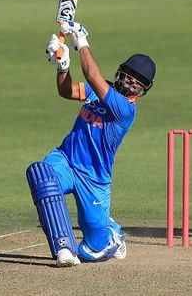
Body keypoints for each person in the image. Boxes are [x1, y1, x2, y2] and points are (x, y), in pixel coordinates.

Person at [26, 21, 156, 266]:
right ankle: (63, 247)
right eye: (130, 74)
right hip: (65, 158)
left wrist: (81, 41)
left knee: (92, 250)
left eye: (139, 81)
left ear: (143, 89)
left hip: (94, 180)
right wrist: (62, 67)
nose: (132, 81)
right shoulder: (100, 89)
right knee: (41, 175)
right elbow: (67, 92)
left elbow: (92, 74)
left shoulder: (125, 109)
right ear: (121, 71)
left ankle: (111, 235)